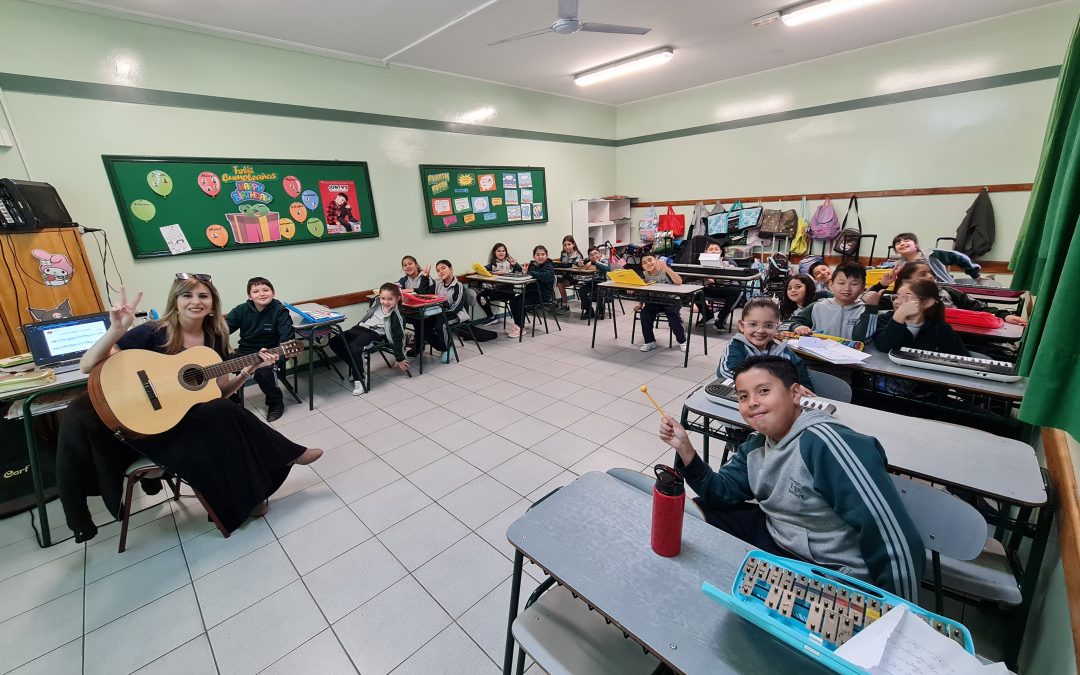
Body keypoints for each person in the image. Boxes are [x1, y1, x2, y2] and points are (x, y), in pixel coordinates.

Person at [56, 277, 323, 543]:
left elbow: (217, 392)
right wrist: (116, 330)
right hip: (149, 428)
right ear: (176, 300)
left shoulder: (214, 337)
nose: (196, 302)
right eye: (187, 296)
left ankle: (252, 496)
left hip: (181, 419)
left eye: (203, 296)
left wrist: (246, 372)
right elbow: (88, 366)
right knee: (222, 418)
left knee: (221, 412)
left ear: (212, 303)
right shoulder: (154, 331)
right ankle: (284, 459)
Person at [659, 355, 924, 600]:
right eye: (743, 396)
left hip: (827, 569)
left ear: (795, 394)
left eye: (763, 391)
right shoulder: (756, 445)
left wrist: (898, 611)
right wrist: (686, 449)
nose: (751, 402)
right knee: (702, 510)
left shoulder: (826, 444)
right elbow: (721, 492)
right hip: (779, 541)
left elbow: (891, 537)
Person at [873, 262, 1028, 326]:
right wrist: (882, 284)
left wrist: (1004, 315)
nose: (931, 276)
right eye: (923, 274)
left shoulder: (947, 293)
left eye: (930, 273)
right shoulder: (895, 300)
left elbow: (977, 308)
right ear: (906, 281)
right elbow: (865, 302)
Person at [225, 276, 293, 422]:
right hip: (244, 353)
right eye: (256, 291)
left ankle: (275, 402)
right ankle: (230, 397)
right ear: (249, 296)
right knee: (215, 362)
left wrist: (278, 356)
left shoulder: (280, 311)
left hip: (269, 355)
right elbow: (222, 331)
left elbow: (287, 342)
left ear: (273, 293)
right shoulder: (241, 310)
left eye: (265, 290)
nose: (261, 294)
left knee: (263, 372)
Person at [328, 282, 409, 395]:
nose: (385, 302)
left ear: (398, 298)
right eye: (383, 298)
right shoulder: (376, 302)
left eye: (390, 299)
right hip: (360, 327)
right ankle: (357, 367)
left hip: (375, 333)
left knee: (355, 347)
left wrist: (400, 357)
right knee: (334, 342)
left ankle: (359, 379)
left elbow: (399, 337)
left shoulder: (397, 316)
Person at [718, 297, 814, 391]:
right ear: (742, 326)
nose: (760, 330)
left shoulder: (783, 352)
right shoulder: (737, 347)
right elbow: (728, 372)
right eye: (753, 324)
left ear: (777, 328)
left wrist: (803, 392)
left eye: (768, 325)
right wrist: (775, 386)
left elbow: (803, 382)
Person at [869, 279, 970, 356]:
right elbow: (884, 347)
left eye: (907, 296)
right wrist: (898, 317)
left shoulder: (941, 328)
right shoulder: (885, 319)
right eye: (897, 296)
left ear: (928, 302)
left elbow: (961, 357)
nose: (897, 301)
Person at [784, 262, 878, 341]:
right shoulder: (817, 307)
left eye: (854, 284)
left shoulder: (865, 311)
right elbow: (785, 324)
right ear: (831, 285)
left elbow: (865, 338)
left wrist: (871, 309)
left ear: (862, 287)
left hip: (851, 361)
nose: (847, 288)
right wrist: (796, 326)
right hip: (818, 360)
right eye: (841, 283)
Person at [637, 253, 687, 353]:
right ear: (643, 266)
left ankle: (682, 341)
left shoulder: (664, 271)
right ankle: (650, 341)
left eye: (650, 260)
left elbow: (679, 281)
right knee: (644, 314)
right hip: (654, 301)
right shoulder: (645, 274)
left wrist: (667, 268)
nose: (648, 263)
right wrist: (640, 304)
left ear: (656, 260)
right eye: (644, 263)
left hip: (671, 300)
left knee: (673, 316)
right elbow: (644, 291)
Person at [888, 232, 982, 283]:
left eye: (906, 241)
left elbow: (959, 257)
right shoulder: (899, 264)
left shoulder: (931, 254)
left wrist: (975, 274)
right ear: (896, 250)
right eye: (898, 243)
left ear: (916, 245)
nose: (902, 244)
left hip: (941, 289)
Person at [509, 245, 556, 338]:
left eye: (543, 254)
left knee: (521, 303)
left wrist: (530, 273)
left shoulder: (549, 266)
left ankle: (520, 327)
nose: (540, 257)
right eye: (537, 254)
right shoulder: (533, 265)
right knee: (513, 300)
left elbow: (545, 276)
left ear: (546, 255)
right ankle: (518, 325)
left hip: (542, 295)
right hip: (531, 293)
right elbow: (523, 270)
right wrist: (515, 265)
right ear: (534, 256)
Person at [696, 242, 743, 331]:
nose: (713, 251)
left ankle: (720, 320)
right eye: (711, 249)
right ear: (706, 252)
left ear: (721, 251)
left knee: (736, 292)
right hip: (711, 288)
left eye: (716, 249)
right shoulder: (702, 263)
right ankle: (707, 316)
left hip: (725, 289)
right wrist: (706, 279)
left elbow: (737, 278)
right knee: (694, 291)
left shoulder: (730, 262)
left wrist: (730, 269)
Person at [429, 259, 469, 363]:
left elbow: (457, 307)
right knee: (426, 325)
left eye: (443, 268)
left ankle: (446, 348)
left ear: (451, 269)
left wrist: (444, 309)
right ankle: (443, 345)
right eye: (438, 270)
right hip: (442, 313)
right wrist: (425, 276)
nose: (440, 272)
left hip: (457, 314)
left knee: (441, 325)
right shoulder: (438, 283)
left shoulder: (458, 286)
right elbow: (427, 294)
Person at [477, 242, 522, 325]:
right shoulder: (492, 264)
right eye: (499, 251)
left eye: (503, 251)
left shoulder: (510, 262)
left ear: (506, 252)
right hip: (495, 289)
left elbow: (520, 271)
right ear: (495, 253)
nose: (501, 253)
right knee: (480, 296)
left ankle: (491, 313)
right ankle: (491, 317)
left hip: (508, 291)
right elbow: (484, 270)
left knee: (485, 297)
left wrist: (515, 265)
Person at [577, 245, 610, 320]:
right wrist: (579, 263)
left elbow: (607, 268)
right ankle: (589, 311)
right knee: (582, 291)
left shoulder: (604, 259)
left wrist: (594, 262)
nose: (594, 256)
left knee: (598, 292)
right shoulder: (589, 259)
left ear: (599, 253)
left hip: (604, 282)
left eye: (596, 253)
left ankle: (601, 311)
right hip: (593, 282)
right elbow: (579, 262)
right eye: (591, 255)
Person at [555, 234, 584, 314]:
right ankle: (554, 304)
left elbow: (577, 265)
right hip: (564, 275)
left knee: (559, 283)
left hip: (574, 277)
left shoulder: (577, 255)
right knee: (552, 280)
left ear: (573, 244)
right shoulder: (563, 253)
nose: (567, 247)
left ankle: (565, 305)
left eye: (569, 244)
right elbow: (562, 264)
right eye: (565, 245)